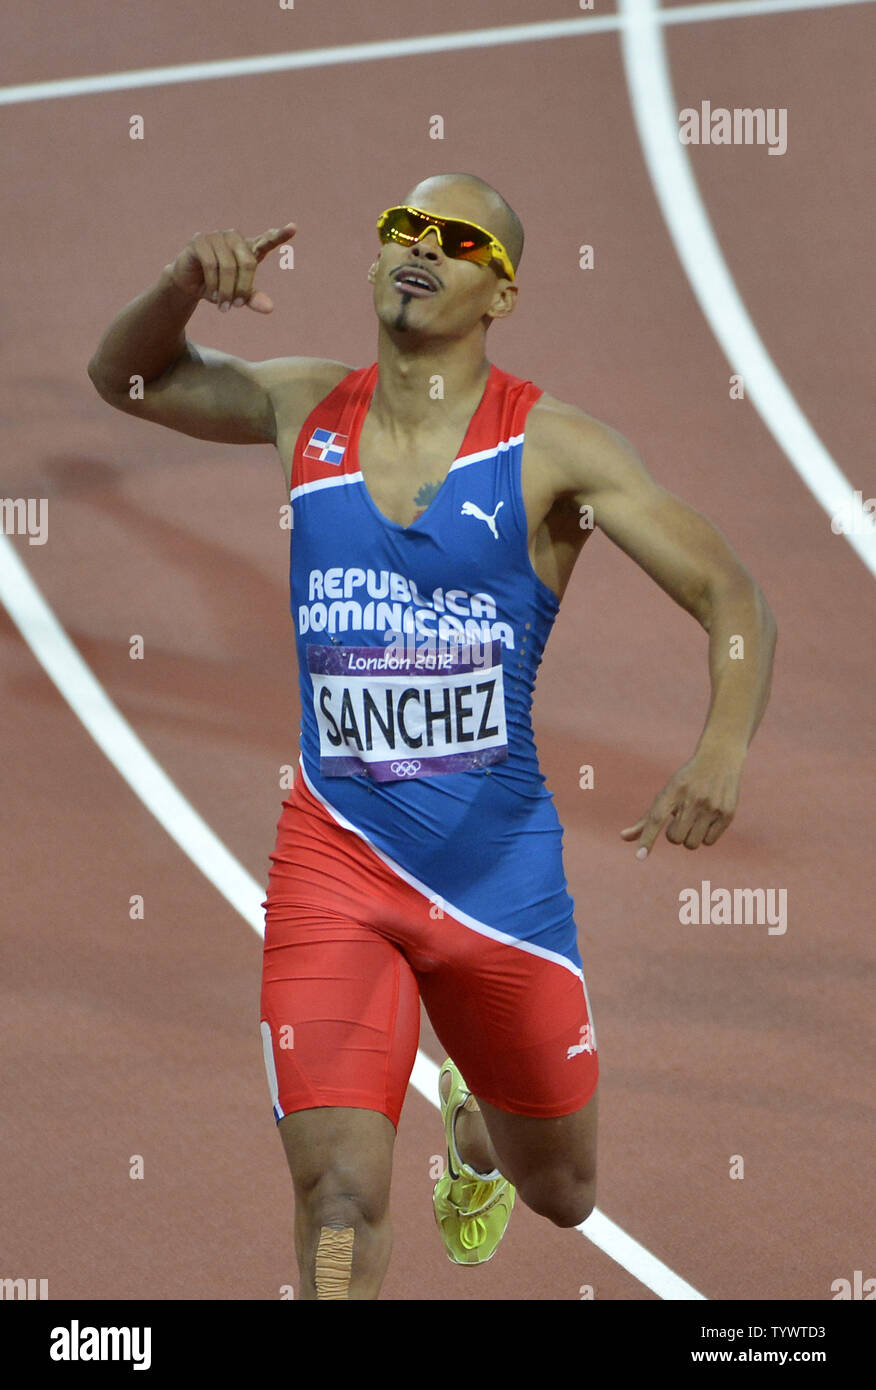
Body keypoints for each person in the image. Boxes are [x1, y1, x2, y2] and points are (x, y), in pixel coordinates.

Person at [88, 172, 777, 1300]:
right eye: (402, 229)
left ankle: (474, 1133)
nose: (421, 247)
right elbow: (123, 378)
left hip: (496, 877)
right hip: (332, 866)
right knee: (339, 1210)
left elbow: (732, 595)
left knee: (564, 1192)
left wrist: (723, 749)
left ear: (500, 292)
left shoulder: (555, 450)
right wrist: (179, 284)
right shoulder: (304, 405)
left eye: (457, 241)